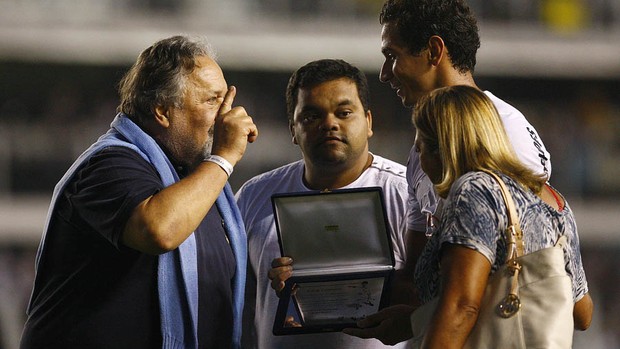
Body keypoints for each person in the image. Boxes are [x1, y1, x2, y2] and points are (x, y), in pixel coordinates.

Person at [20, 35, 258, 349]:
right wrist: (223, 158)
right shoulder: (108, 165)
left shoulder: (199, 183)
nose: (227, 115)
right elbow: (159, 230)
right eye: (212, 101)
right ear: (162, 111)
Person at [344, 0, 555, 344]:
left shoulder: (505, 132)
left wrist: (427, 322)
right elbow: (415, 280)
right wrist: (314, 285)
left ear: (433, 50)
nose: (384, 73)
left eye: (392, 55)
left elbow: (515, 284)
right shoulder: (421, 151)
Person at [235, 59, 411, 349]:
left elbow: (437, 301)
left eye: (344, 112)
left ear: (368, 122)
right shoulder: (254, 195)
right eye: (311, 116)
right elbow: (232, 300)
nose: (330, 124)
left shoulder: (407, 193)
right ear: (293, 129)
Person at [408, 85, 593, 347]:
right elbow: (583, 313)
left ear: (444, 148)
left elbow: (462, 307)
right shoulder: (554, 200)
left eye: (420, 148)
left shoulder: (474, 189)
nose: (420, 158)